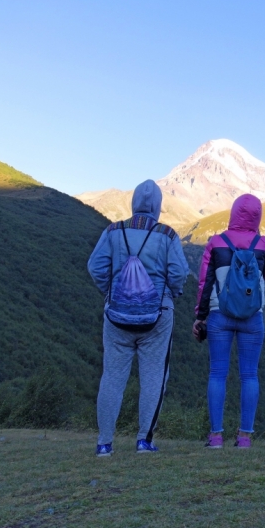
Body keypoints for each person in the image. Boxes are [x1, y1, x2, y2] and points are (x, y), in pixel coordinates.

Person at [87, 179, 188, 456]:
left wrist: (111, 291)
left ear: (133, 203)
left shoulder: (112, 231)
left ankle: (104, 443)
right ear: (157, 206)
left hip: (117, 315)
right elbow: (179, 272)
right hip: (157, 315)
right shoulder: (167, 234)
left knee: (112, 377)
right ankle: (144, 440)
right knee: (154, 376)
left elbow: (95, 266)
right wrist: (171, 293)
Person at [192, 194, 265, 449]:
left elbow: (204, 283)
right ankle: (245, 438)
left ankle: (216, 436)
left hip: (219, 315)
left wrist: (200, 315)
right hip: (252, 317)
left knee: (218, 373)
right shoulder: (263, 244)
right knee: (249, 375)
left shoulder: (216, 242)